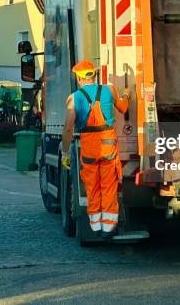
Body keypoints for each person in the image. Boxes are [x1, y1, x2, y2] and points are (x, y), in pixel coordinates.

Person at [61, 60, 132, 238]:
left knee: (92, 186)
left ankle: (96, 225)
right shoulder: (110, 90)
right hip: (108, 143)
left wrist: (65, 151)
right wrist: (127, 94)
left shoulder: (74, 98)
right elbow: (123, 108)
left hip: (88, 146)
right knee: (109, 186)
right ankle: (108, 228)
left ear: (79, 78)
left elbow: (68, 128)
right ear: (94, 74)